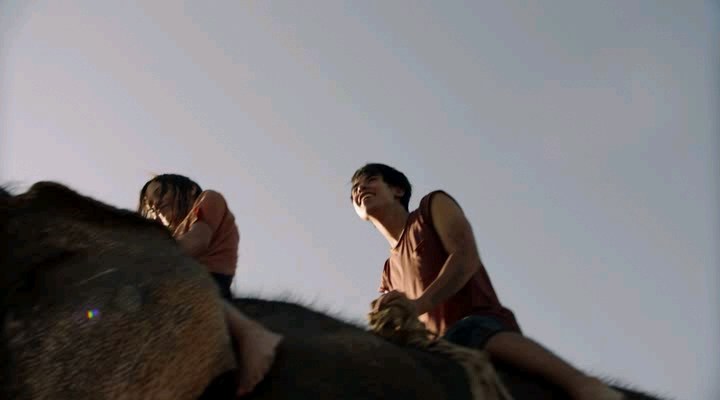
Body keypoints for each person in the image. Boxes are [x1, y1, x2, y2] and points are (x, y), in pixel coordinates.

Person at [350, 163, 623, 400]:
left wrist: (418, 304)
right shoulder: (387, 272)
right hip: (439, 350)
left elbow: (465, 256)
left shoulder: (431, 206)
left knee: (467, 330)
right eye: (354, 191)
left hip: (479, 324)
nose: (360, 189)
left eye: (370, 180)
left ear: (397, 190)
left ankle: (584, 385)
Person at [138, 173, 282, 396]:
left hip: (208, 281)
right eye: (150, 203)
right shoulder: (172, 236)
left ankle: (252, 335)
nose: (155, 204)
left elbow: (198, 241)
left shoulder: (207, 199)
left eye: (159, 193)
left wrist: (150, 260)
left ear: (189, 191)